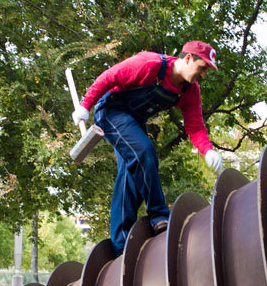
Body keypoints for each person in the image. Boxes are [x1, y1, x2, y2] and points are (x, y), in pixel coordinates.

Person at [72, 40, 223, 257]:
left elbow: (195, 125)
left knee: (129, 177)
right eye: (203, 68)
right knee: (144, 152)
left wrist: (207, 150)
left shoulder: (190, 90)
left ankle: (120, 247)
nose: (203, 75)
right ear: (188, 58)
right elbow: (109, 76)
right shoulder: (150, 64)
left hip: (133, 120)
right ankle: (159, 215)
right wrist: (86, 105)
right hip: (111, 112)